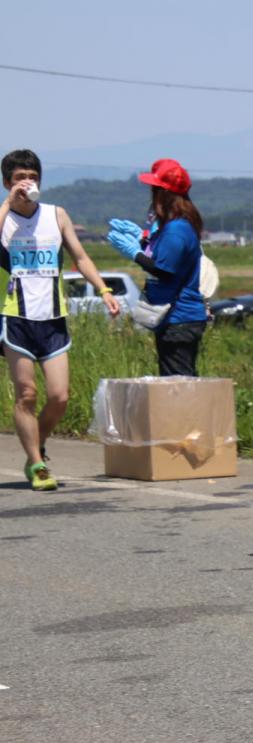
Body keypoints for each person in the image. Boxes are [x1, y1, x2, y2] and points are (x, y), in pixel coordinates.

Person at [0, 149, 121, 490]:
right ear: (8, 182)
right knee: (26, 393)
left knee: (60, 396)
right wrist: (8, 204)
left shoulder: (57, 215)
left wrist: (104, 290)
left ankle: (35, 447)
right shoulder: (3, 216)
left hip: (53, 318)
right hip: (15, 317)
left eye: (34, 177)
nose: (28, 183)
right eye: (21, 178)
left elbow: (80, 257)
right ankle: (38, 466)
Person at [106, 159, 208, 376]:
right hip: (174, 318)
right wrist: (143, 241)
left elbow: (164, 270)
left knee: (178, 383)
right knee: (176, 378)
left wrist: (135, 253)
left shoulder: (176, 229)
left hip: (179, 318)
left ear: (164, 194)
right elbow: (166, 256)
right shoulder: (174, 227)